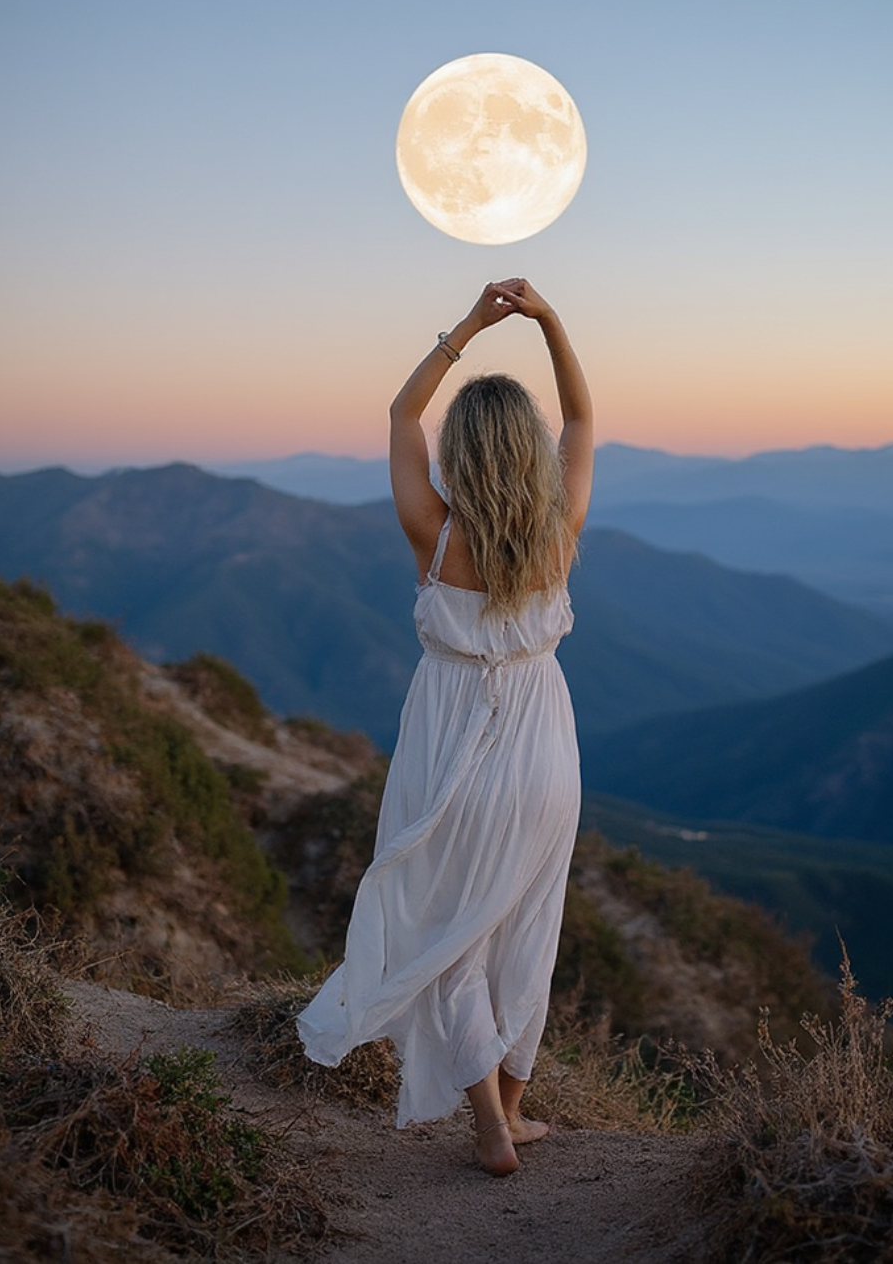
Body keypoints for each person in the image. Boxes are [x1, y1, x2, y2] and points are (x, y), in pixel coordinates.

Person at [297, 278, 593, 1176]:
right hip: (543, 747)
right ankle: (514, 1109)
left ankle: (491, 1127)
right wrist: (548, 321)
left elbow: (401, 413)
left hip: (450, 741)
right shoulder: (560, 532)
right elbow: (583, 418)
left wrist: (470, 325)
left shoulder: (430, 530)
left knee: (446, 927)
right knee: (528, 928)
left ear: (461, 453)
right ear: (531, 453)